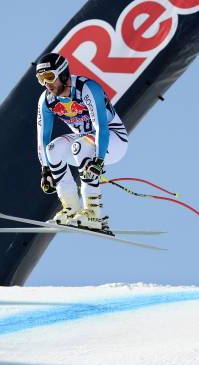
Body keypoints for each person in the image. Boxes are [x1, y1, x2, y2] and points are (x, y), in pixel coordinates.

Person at [35, 53, 128, 232]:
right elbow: (42, 138)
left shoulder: (86, 88)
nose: (46, 83)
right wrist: (45, 169)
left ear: (62, 73)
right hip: (85, 143)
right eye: (41, 79)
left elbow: (101, 126)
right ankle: (71, 208)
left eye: (49, 76)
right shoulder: (47, 100)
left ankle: (94, 213)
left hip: (113, 140)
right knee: (53, 149)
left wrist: (99, 161)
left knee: (80, 146)